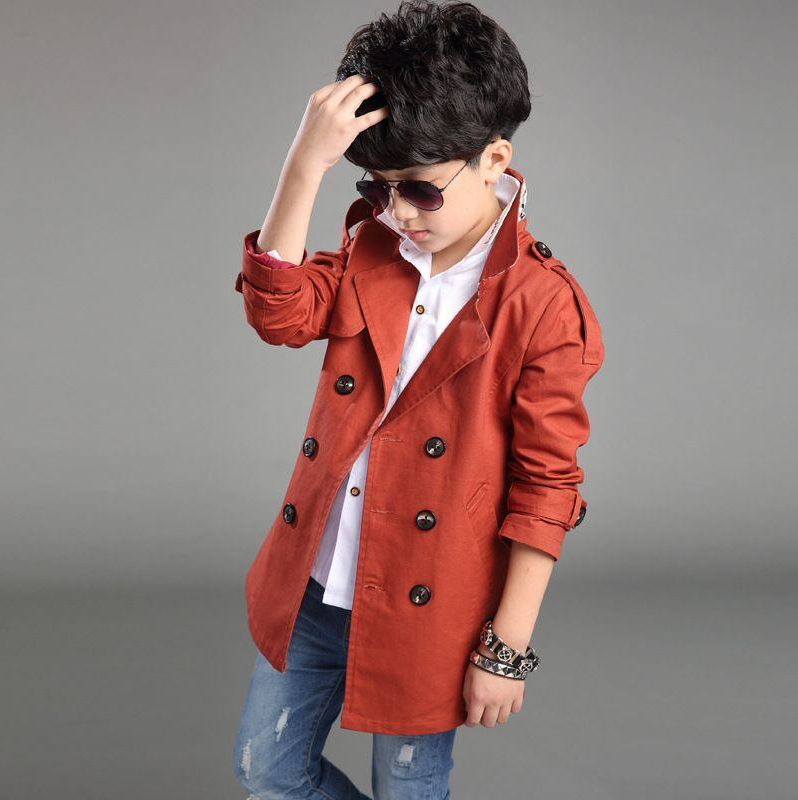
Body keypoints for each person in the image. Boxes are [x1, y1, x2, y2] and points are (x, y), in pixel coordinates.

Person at [231, 2, 605, 798]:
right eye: (377, 187)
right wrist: (304, 165)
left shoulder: (541, 304)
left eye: (421, 191)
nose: (397, 211)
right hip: (316, 583)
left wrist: (506, 648)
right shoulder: (373, 246)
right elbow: (279, 313)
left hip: (428, 604)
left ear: (493, 158)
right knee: (268, 772)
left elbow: (546, 488)